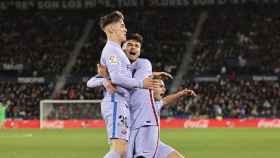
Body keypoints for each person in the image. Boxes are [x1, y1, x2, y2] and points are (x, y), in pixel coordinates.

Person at [88, 33, 195, 157]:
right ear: (122, 48)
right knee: (119, 152)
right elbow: (91, 82)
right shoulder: (119, 68)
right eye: (130, 45)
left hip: (149, 130)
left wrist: (155, 76)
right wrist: (105, 79)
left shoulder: (141, 65)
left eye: (136, 46)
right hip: (138, 125)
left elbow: (163, 99)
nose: (133, 48)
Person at [98, 11, 160, 158]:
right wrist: (141, 83)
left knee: (123, 151)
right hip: (116, 103)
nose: (125, 29)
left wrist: (105, 79)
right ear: (110, 29)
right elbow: (118, 77)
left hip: (121, 104)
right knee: (119, 150)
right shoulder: (112, 51)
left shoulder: (117, 51)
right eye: (122, 25)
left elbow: (112, 76)